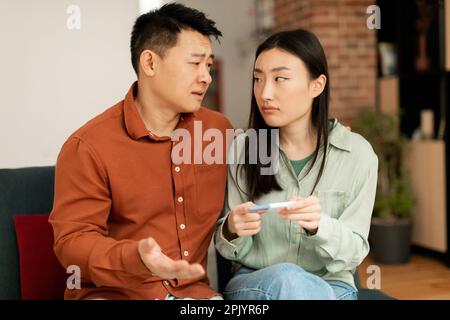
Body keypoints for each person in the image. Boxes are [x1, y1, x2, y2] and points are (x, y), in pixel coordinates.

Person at [49, 3, 232, 300]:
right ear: (150, 63)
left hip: (194, 295)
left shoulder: (218, 132)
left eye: (208, 65)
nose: (206, 77)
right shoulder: (88, 147)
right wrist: (136, 257)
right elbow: (72, 243)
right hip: (115, 294)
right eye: (194, 64)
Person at [214, 29, 378, 300]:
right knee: (288, 280)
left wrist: (320, 227)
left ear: (317, 85)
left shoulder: (358, 155)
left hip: (332, 287)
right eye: (258, 79)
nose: (265, 92)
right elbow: (231, 251)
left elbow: (355, 253)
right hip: (257, 283)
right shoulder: (245, 150)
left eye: (280, 78)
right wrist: (231, 228)